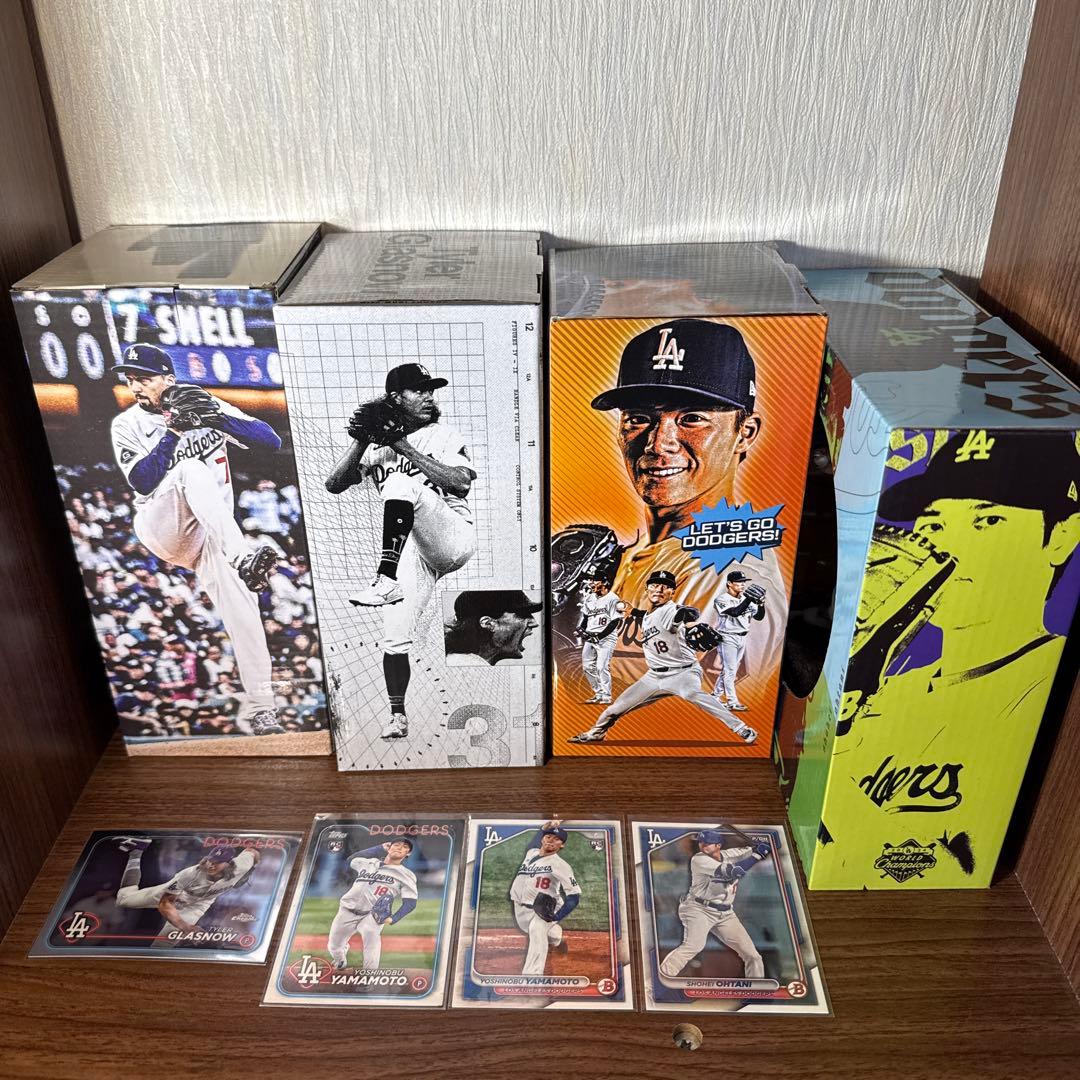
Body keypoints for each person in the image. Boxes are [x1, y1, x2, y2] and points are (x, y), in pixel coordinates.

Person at [588, 319, 786, 698]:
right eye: (638, 419)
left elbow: (699, 715)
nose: (658, 443)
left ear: (744, 434)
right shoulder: (626, 555)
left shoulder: (729, 572)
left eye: (692, 419)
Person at [109, 343, 284, 735]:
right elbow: (143, 481)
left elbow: (271, 441)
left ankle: (263, 710)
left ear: (169, 379)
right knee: (190, 469)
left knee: (245, 613)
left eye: (144, 378)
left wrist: (218, 418)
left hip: (211, 535)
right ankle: (243, 557)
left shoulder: (204, 402)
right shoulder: (127, 424)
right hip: (163, 525)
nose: (136, 386)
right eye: (131, 379)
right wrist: (174, 431)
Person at [325, 363, 477, 740]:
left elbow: (460, 484)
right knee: (394, 636)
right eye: (419, 390)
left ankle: (384, 577)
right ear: (396, 398)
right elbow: (334, 484)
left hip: (452, 535)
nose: (429, 396)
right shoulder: (376, 448)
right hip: (412, 550)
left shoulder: (442, 434)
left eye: (431, 390)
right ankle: (398, 716)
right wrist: (362, 439)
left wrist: (402, 446)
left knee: (398, 482)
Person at [569, 570, 756, 744]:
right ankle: (597, 733)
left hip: (683, 673)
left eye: (665, 586)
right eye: (654, 585)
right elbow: (648, 615)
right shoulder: (650, 614)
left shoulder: (671, 610)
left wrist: (689, 620)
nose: (659, 589)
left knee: (692, 693)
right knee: (613, 711)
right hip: (653, 676)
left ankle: (742, 728)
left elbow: (684, 614)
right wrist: (634, 612)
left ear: (672, 592)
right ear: (647, 589)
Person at [658, 829, 769, 979]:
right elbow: (734, 872)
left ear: (718, 845)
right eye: (701, 842)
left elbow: (752, 850)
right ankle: (660, 979)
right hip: (698, 909)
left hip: (725, 913)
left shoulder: (730, 854)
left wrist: (763, 845)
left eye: (708, 843)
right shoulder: (699, 859)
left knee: (752, 955)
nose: (703, 845)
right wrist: (758, 855)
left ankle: (757, 988)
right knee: (693, 946)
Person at [112, 836, 260, 938]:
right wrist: (185, 926)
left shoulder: (241, 866)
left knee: (165, 943)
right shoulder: (190, 874)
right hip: (176, 896)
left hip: (200, 904)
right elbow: (165, 903)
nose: (211, 864)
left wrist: (252, 869)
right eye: (211, 860)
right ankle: (137, 851)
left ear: (229, 863)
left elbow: (252, 852)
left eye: (218, 862)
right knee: (123, 900)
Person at [327, 839, 417, 971]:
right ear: (389, 848)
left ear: (408, 853)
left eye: (404, 847)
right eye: (396, 845)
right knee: (334, 946)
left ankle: (370, 974)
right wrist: (379, 848)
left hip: (373, 914)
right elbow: (351, 859)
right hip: (347, 909)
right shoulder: (368, 862)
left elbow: (410, 902)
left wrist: (394, 918)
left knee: (371, 935)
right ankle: (340, 959)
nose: (399, 848)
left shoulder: (406, 875)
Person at [507, 824, 580, 975]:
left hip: (545, 907)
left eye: (556, 839)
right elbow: (534, 843)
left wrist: (556, 916)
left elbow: (574, 896)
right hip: (520, 907)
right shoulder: (531, 853)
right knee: (537, 931)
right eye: (548, 837)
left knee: (536, 930)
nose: (551, 841)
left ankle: (532, 976)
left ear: (562, 845)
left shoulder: (561, 865)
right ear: (542, 839)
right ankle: (557, 938)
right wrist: (544, 827)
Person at [710, 569, 765, 710]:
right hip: (727, 637)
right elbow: (735, 612)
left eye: (743, 582)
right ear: (729, 583)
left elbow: (759, 617)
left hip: (742, 637)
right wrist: (749, 599)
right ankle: (732, 702)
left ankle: (715, 696)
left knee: (729, 670)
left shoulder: (745, 599)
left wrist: (761, 604)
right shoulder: (722, 599)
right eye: (739, 582)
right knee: (730, 670)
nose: (742, 584)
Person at [444, 590, 542, 665]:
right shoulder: (463, 665)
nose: (534, 623)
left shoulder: (461, 662)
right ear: (488, 624)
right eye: (522, 614)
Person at [575, 568, 624, 704]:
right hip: (591, 637)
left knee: (601, 667)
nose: (591, 583)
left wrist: (600, 636)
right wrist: (581, 629)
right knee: (587, 667)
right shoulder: (590, 598)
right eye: (590, 580)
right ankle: (599, 693)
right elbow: (586, 617)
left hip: (606, 638)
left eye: (594, 580)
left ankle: (606, 696)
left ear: (604, 582)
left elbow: (615, 622)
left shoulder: (613, 599)